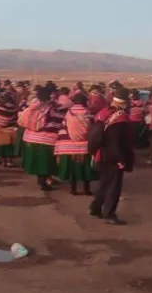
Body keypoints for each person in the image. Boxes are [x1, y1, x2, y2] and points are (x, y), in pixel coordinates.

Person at [88, 88, 135, 225]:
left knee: (104, 184)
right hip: (112, 156)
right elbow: (117, 142)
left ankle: (95, 208)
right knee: (114, 186)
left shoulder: (103, 112)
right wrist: (120, 160)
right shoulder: (120, 118)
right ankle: (109, 213)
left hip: (101, 153)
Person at [20, 85, 67, 190]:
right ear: (50, 95)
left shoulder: (32, 107)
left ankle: (46, 179)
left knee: (39, 161)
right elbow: (60, 121)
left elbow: (22, 120)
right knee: (45, 162)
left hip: (30, 138)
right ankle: (42, 183)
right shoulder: (54, 108)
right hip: (46, 140)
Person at [54, 91, 97, 195]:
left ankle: (73, 189)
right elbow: (92, 128)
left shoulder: (69, 113)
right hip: (85, 145)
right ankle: (86, 189)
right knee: (86, 168)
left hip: (70, 146)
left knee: (73, 168)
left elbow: (64, 126)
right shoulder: (88, 113)